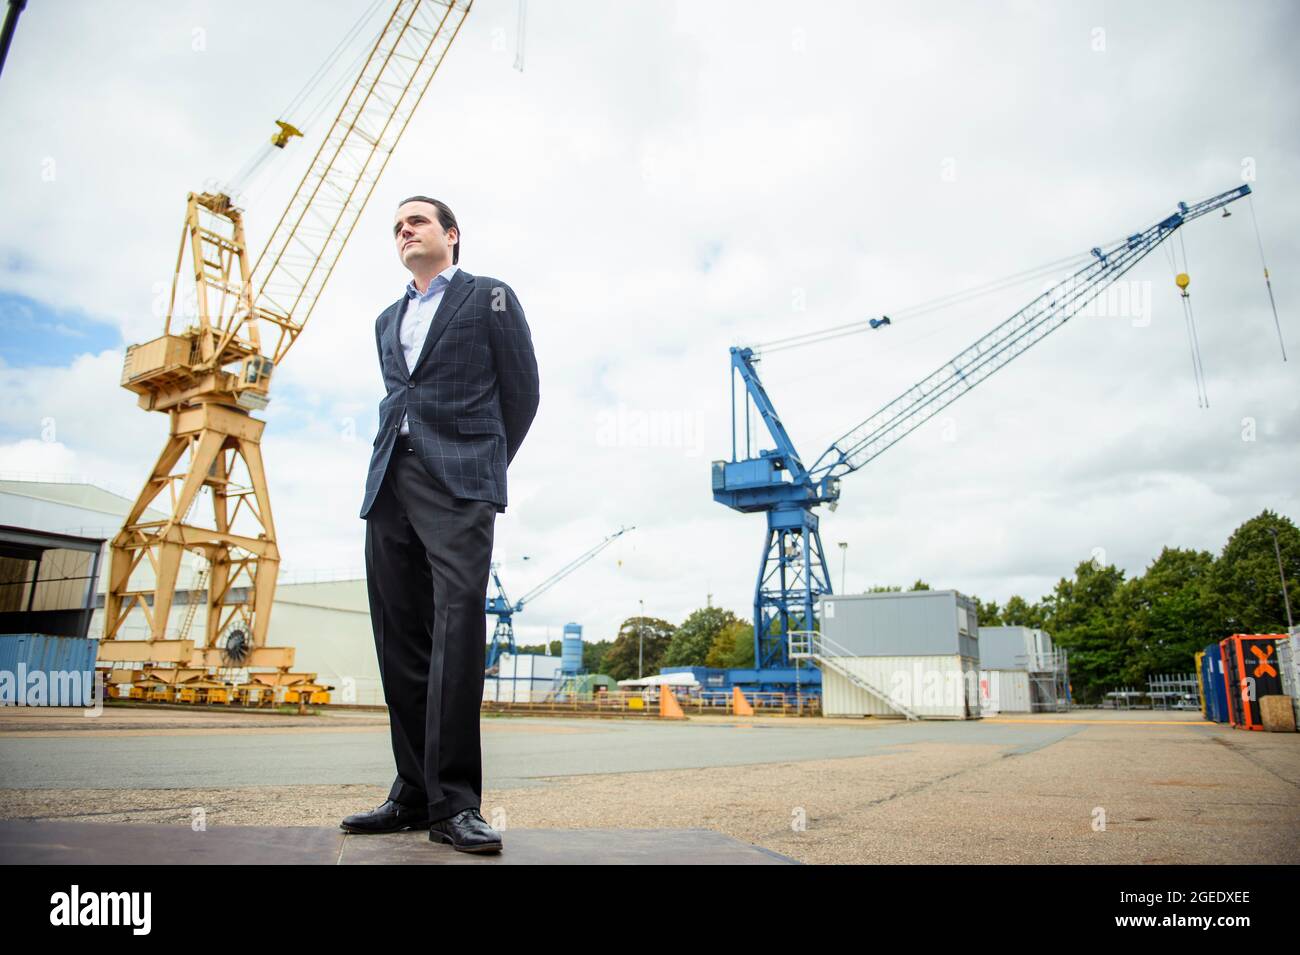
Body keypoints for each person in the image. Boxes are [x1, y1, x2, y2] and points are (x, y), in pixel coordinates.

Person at [341, 196, 539, 853]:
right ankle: (413, 792)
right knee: (400, 635)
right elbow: (402, 393)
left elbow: (523, 391)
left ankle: (455, 802)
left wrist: (479, 467)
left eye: (417, 221)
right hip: (388, 480)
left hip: (457, 482)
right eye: (397, 226)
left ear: (451, 235)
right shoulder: (384, 320)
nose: (405, 231)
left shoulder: (490, 298)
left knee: (457, 628)